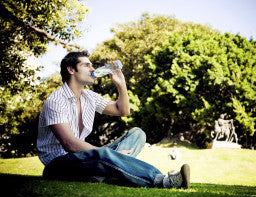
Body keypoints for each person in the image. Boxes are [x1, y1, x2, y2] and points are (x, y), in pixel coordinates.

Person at [36, 51, 190, 189]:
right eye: (86, 65)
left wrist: (121, 84)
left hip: (86, 160)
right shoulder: (56, 100)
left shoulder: (89, 97)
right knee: (102, 154)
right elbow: (69, 144)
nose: (92, 69)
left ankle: (102, 175)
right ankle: (163, 180)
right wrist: (108, 153)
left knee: (137, 134)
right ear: (71, 70)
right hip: (57, 166)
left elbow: (123, 110)